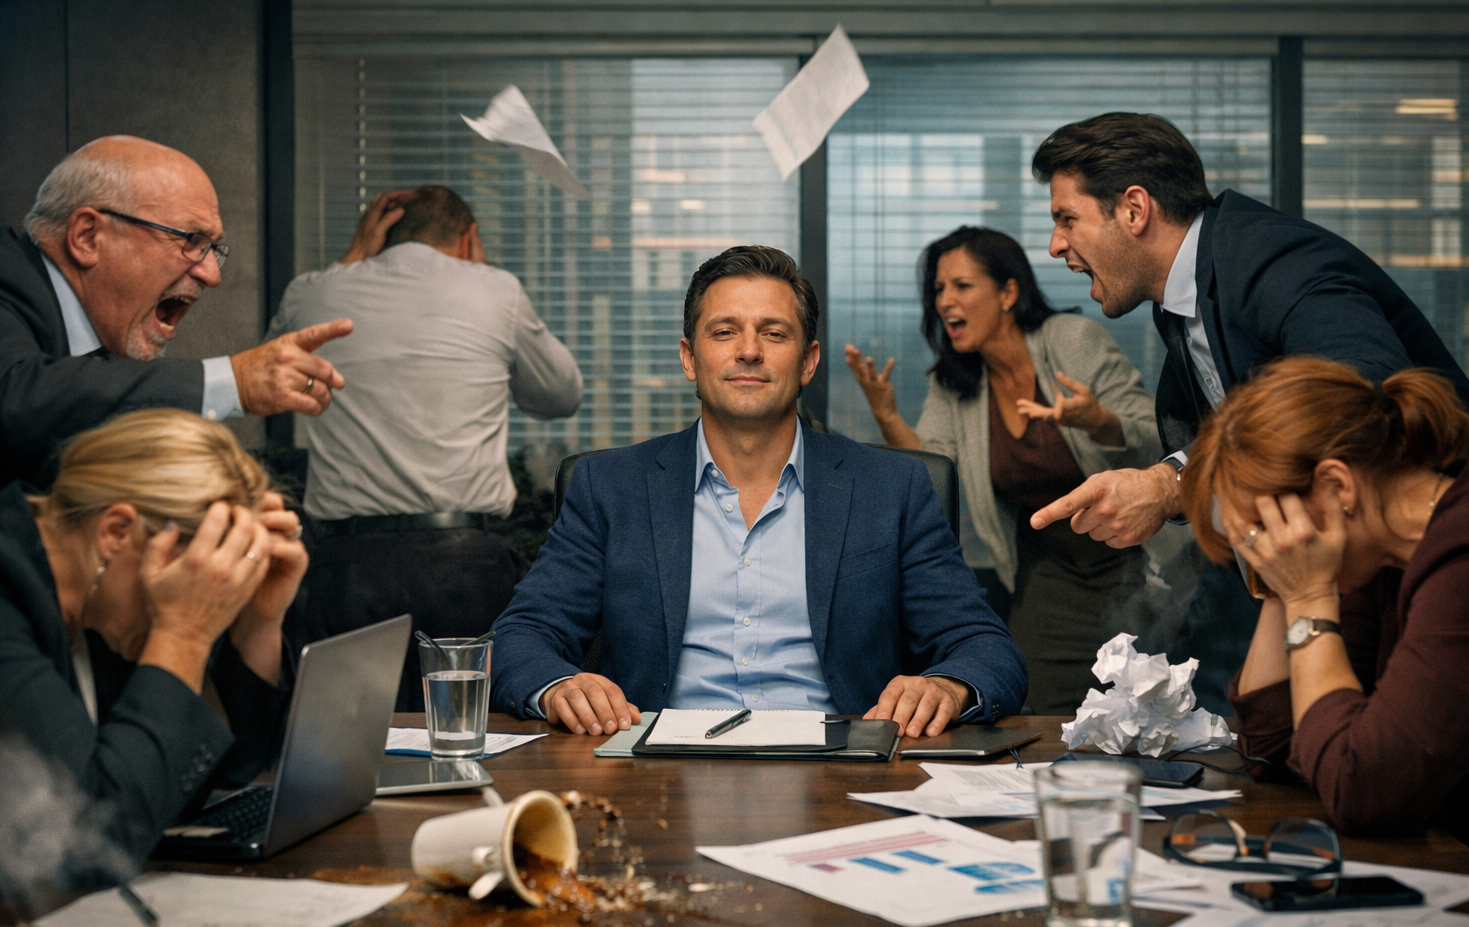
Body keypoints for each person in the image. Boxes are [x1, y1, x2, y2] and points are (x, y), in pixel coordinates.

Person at [491, 245, 1026, 736]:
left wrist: (948, 686)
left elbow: (985, 649)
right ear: (688, 358)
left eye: (773, 333)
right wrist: (560, 684)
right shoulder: (610, 487)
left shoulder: (891, 488)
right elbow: (520, 638)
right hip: (654, 771)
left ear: (808, 362)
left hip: (842, 772)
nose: (748, 351)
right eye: (724, 332)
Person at [1027, 112, 1469, 551]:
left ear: (1135, 210)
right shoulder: (1178, 298)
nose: (1055, 245)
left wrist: (1174, 485)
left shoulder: (1267, 259)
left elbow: (1367, 400)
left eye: (1067, 218)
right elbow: (1234, 435)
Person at [1182, 356, 1469, 887]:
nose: (1264, 553)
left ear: (1337, 487)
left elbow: (1365, 788)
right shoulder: (1378, 557)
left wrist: (1306, 593)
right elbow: (1271, 746)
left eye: (1263, 530)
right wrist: (1285, 586)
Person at [269, 186, 582, 711]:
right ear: (467, 240)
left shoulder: (313, 293)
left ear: (379, 236)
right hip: (467, 566)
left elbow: (272, 375)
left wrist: (349, 262)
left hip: (348, 568)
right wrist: (481, 277)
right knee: (480, 741)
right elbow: (559, 395)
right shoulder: (495, 291)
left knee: (345, 753)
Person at [844, 226, 1161, 713]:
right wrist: (886, 414)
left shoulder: (1073, 340)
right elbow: (934, 469)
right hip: (1047, 569)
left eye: (962, 286)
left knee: (1150, 706)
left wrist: (1096, 421)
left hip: (1137, 557)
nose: (945, 300)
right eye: (938, 290)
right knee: (1044, 708)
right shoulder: (955, 384)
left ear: (1009, 292)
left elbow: (1153, 436)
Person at [0, 409, 307, 885]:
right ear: (117, 532)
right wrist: (182, 634)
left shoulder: (98, 601)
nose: (202, 603)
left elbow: (208, 773)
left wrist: (257, 622)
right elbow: (91, 844)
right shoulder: (10, 591)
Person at [1, 136, 352, 487]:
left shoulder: (103, 350)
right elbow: (16, 402)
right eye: (192, 241)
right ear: (88, 236)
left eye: (213, 249)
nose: (212, 275)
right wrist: (234, 383)